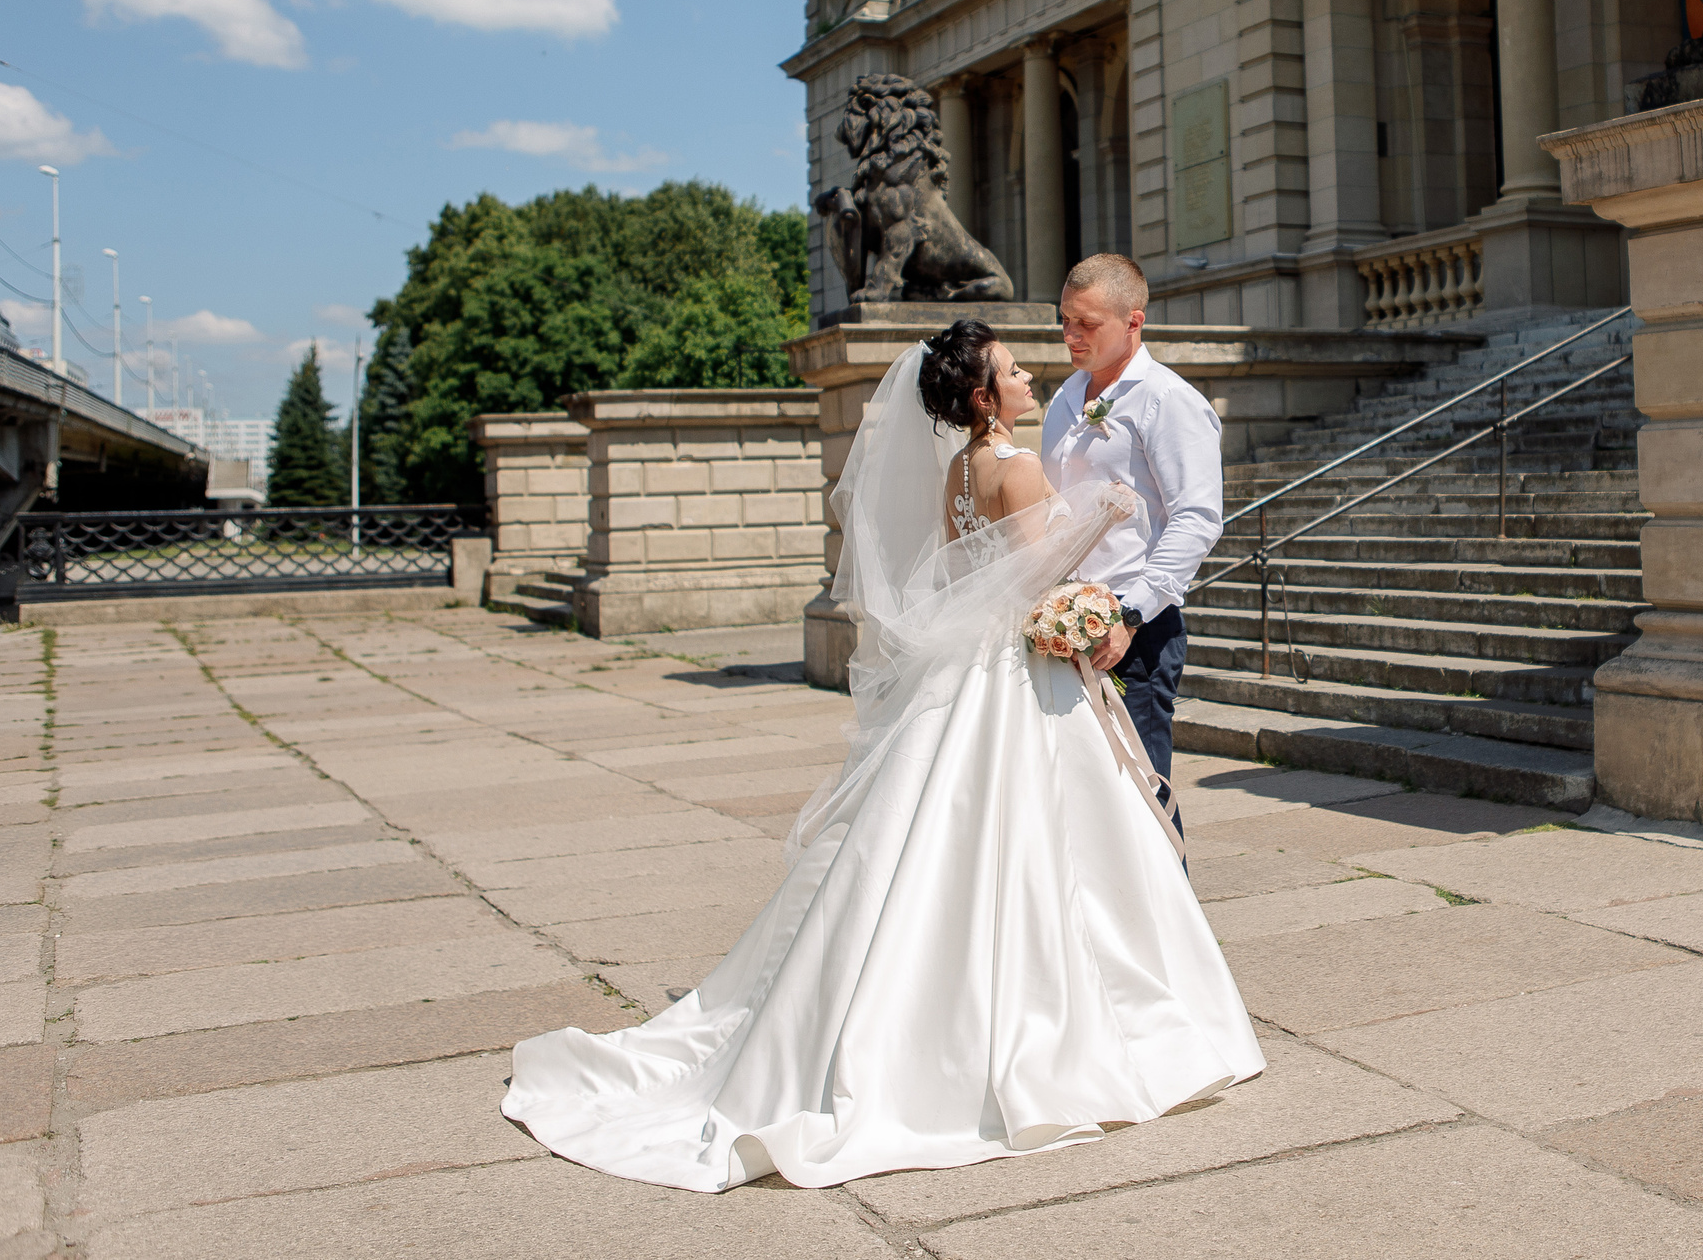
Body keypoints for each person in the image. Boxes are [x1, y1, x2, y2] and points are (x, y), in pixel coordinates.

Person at [499, 319, 1263, 1192]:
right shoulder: (1016, 466)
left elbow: (964, 564)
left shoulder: (956, 470)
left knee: (937, 831)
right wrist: (1101, 533)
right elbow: (1034, 574)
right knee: (1040, 838)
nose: (1027, 376)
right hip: (1018, 673)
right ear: (983, 397)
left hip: (969, 669)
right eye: (1011, 371)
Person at [1042, 254, 1224, 837]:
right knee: (1077, 805)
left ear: (1133, 321)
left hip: (1134, 632)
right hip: (1063, 628)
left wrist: (1131, 612)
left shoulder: (1167, 400)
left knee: (1140, 800)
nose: (1071, 335)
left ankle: (1173, 926)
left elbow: (1196, 518)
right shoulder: (1063, 399)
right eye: (1065, 320)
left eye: (1086, 324)